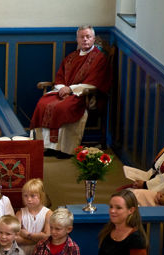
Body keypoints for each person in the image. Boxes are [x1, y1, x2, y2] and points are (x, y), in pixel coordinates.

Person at [30, 26, 111, 158]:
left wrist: (71, 89)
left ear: (93, 39)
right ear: (77, 39)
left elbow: (95, 81)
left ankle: (65, 149)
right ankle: (48, 146)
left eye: (88, 37)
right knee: (43, 104)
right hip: (63, 92)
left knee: (64, 108)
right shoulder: (71, 57)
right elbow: (60, 76)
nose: (85, 40)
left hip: (83, 95)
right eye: (82, 37)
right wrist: (62, 88)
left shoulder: (99, 58)